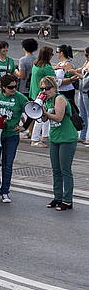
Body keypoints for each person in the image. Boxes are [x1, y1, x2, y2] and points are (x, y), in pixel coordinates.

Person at [0, 74, 28, 203]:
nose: (14, 89)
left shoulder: (20, 98)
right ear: (3, 87)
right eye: (10, 87)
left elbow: (32, 110)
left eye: (15, 86)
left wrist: (23, 126)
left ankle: (5, 191)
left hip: (11, 136)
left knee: (7, 165)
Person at [39, 75, 78, 211]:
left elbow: (59, 117)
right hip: (55, 138)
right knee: (56, 170)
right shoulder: (47, 101)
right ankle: (58, 197)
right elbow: (44, 120)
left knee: (65, 170)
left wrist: (46, 113)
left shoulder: (59, 98)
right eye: (42, 89)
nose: (44, 91)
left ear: (54, 88)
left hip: (67, 138)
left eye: (47, 88)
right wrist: (41, 111)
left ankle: (67, 200)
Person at [29, 47, 56, 147]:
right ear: (47, 56)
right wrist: (71, 78)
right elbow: (54, 81)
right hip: (44, 95)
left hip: (36, 93)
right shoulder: (47, 67)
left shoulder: (36, 64)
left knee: (43, 115)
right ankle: (35, 139)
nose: (52, 56)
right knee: (41, 117)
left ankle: (44, 137)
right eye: (51, 54)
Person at [15, 38, 38, 139]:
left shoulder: (23, 60)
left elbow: (22, 75)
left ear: (24, 48)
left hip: (23, 88)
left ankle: (22, 128)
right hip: (33, 88)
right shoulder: (37, 59)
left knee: (20, 109)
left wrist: (16, 71)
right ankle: (31, 131)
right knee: (32, 111)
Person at [77, 47, 89, 146]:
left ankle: (87, 137)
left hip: (87, 90)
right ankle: (82, 135)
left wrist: (73, 72)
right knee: (83, 114)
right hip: (82, 90)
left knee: (88, 114)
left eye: (86, 55)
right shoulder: (86, 62)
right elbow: (81, 70)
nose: (85, 57)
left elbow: (84, 77)